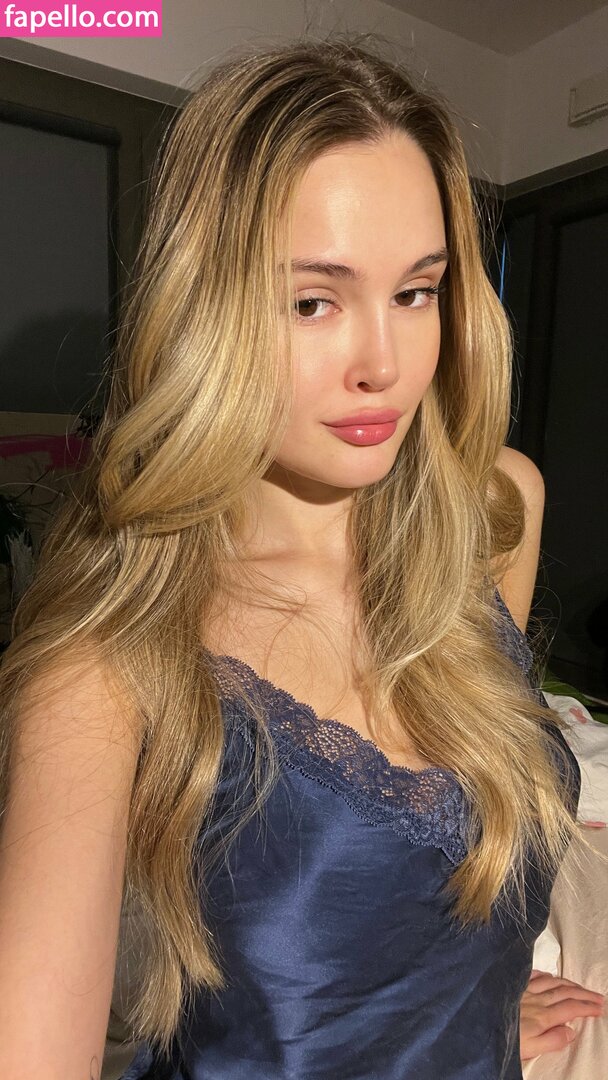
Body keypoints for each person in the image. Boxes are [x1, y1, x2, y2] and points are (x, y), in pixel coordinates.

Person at [0, 32, 604, 1080]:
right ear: (209, 311)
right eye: (313, 300)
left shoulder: (493, 509)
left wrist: (472, 999)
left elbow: (462, 854)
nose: (384, 363)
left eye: (416, 292)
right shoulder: (105, 666)